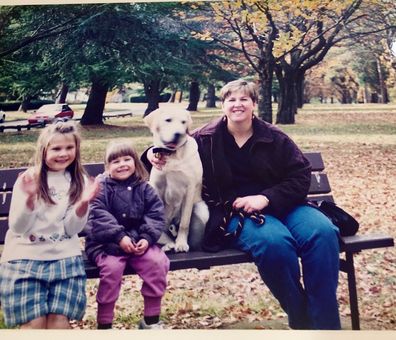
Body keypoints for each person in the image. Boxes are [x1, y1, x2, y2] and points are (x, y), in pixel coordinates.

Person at [146, 79, 341, 329]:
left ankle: (326, 326)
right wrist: (151, 152)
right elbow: (174, 146)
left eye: (244, 99)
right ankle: (302, 318)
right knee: (274, 243)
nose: (237, 104)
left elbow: (301, 175)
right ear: (223, 105)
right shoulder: (206, 138)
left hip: (286, 205)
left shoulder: (275, 137)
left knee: (323, 233)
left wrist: (266, 197)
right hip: (236, 211)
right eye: (231, 99)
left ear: (254, 104)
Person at [0, 121, 100, 329]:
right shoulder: (29, 179)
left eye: (69, 147)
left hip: (64, 258)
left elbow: (72, 229)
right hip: (24, 259)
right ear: (44, 150)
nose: (63, 153)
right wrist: (29, 201)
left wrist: (83, 203)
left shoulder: (79, 179)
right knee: (34, 324)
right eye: (56, 148)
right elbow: (18, 228)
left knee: (59, 323)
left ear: (77, 149)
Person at [85, 139, 169, 329]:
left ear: (135, 162)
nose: (122, 164)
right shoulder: (100, 187)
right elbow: (96, 213)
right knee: (112, 269)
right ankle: (105, 323)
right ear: (107, 167)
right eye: (115, 161)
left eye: (126, 159)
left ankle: (151, 320)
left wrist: (146, 238)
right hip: (105, 243)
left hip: (139, 241)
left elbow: (155, 214)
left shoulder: (144, 187)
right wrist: (119, 236)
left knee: (157, 262)